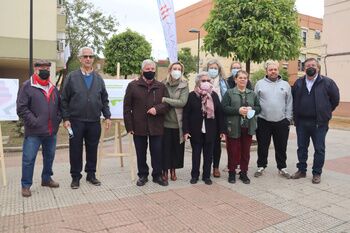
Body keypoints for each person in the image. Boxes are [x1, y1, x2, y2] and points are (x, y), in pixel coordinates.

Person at [61, 47, 112, 189]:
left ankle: (91, 174)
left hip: (94, 122)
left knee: (92, 149)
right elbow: (64, 99)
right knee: (75, 150)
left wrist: (107, 116)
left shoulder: (98, 78)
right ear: (80, 59)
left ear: (93, 59)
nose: (88, 59)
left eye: (90, 56)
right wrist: (66, 118)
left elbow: (104, 99)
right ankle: (75, 177)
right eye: (85, 56)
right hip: (75, 121)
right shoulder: (72, 77)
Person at [17, 60, 61, 197]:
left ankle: (46, 179)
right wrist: (34, 121)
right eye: (41, 68)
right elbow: (21, 108)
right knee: (29, 159)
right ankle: (26, 185)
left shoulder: (53, 87)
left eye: (47, 69)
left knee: (49, 157)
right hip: (34, 131)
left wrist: (57, 119)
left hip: (50, 131)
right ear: (35, 70)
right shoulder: (27, 86)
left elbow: (59, 106)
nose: (44, 71)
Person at [291, 58, 339, 184]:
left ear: (318, 67)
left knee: (319, 149)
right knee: (301, 148)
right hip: (301, 123)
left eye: (313, 65)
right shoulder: (299, 83)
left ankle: (317, 173)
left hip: (319, 123)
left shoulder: (327, 82)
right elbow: (294, 99)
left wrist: (326, 111)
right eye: (307, 65)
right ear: (304, 68)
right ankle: (301, 170)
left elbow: (335, 100)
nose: (310, 67)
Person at [123, 59, 169, 187]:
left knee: (157, 152)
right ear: (142, 70)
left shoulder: (161, 86)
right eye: (148, 69)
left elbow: (167, 104)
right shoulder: (133, 86)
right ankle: (143, 175)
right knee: (140, 152)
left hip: (156, 125)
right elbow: (127, 107)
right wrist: (129, 126)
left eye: (152, 69)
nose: (150, 71)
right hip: (139, 125)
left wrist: (157, 109)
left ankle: (157, 175)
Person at [183, 71, 225, 185]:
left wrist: (222, 130)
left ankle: (206, 176)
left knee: (208, 155)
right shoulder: (192, 95)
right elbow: (186, 114)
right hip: (195, 131)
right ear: (198, 82)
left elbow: (220, 114)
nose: (206, 82)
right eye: (203, 80)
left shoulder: (214, 95)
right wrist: (186, 131)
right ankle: (194, 175)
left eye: (208, 80)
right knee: (196, 155)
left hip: (211, 131)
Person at [253, 61, 293, 179]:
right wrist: (255, 118)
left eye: (275, 69)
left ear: (278, 70)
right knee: (262, 145)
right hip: (263, 120)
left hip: (281, 121)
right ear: (266, 71)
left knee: (281, 146)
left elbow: (289, 102)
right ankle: (261, 166)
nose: (273, 71)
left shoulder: (285, 85)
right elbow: (255, 101)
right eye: (270, 70)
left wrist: (288, 118)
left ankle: (282, 167)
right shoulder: (259, 84)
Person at [222, 70, 261, 184]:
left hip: (248, 127)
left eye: (245, 78)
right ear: (235, 79)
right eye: (240, 78)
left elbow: (259, 108)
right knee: (233, 151)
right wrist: (237, 110)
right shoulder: (229, 93)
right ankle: (232, 172)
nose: (243, 79)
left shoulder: (252, 93)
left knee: (245, 152)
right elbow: (223, 108)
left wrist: (252, 108)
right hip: (234, 126)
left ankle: (243, 173)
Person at [161, 62, 189, 181]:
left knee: (176, 149)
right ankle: (165, 171)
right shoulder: (163, 84)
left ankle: (173, 170)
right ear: (170, 70)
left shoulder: (184, 85)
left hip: (178, 123)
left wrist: (165, 100)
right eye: (174, 68)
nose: (176, 71)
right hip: (164, 122)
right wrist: (172, 101)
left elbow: (182, 102)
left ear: (182, 71)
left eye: (179, 69)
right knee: (165, 148)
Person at [205, 59, 228, 178]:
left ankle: (216, 167)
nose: (213, 70)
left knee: (217, 144)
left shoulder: (223, 82)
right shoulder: (203, 80)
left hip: (219, 114)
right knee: (207, 143)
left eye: (215, 68)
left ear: (219, 69)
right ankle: (206, 167)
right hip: (206, 115)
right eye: (211, 67)